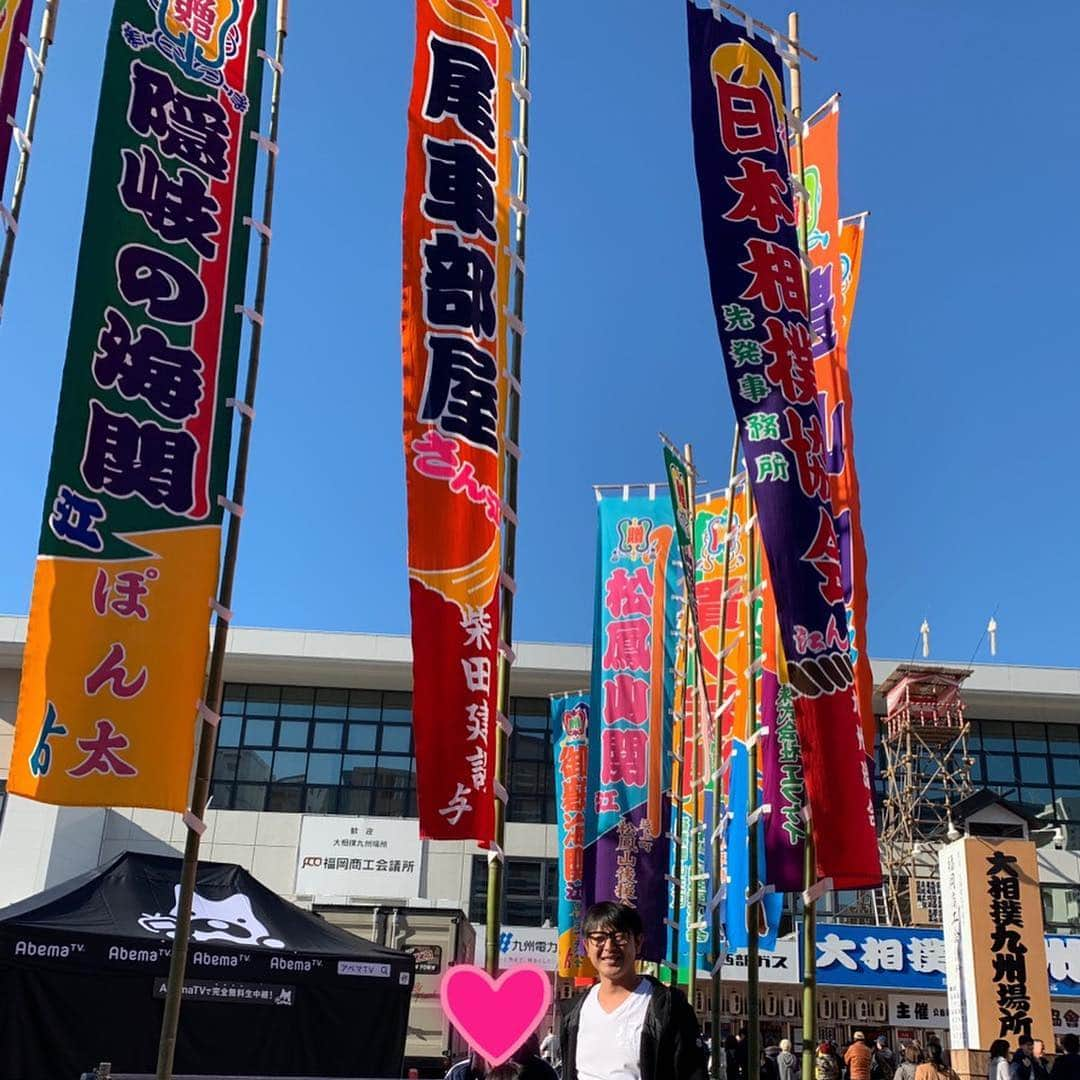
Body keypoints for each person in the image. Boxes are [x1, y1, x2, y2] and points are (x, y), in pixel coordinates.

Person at [558, 901, 707, 1080]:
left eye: (619, 937)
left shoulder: (667, 1007)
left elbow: (693, 1073)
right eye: (598, 938)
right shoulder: (574, 1012)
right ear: (586, 946)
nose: (609, 947)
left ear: (638, 942)